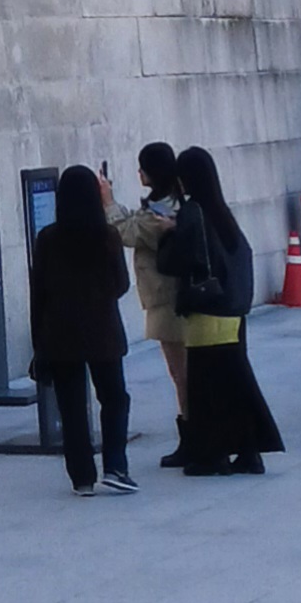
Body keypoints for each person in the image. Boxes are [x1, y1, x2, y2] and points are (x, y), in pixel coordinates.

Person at [161, 145, 283, 476]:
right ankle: (248, 451)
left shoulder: (192, 212)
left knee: (206, 386)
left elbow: (174, 262)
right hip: (232, 310)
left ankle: (211, 456)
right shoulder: (221, 211)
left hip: (206, 310)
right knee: (234, 383)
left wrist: (167, 233)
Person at [28, 164, 136, 496]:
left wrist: (39, 341)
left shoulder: (47, 239)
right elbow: (121, 284)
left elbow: (38, 293)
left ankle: (82, 477)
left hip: (60, 333)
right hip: (103, 330)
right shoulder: (108, 236)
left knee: (72, 407)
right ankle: (115, 464)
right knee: (114, 398)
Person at [111, 144, 188, 463]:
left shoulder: (164, 210)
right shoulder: (170, 202)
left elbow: (125, 231)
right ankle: (193, 435)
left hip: (167, 298)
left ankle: (192, 437)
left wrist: (107, 202)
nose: (139, 173)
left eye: (143, 168)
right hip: (169, 297)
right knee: (182, 373)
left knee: (181, 374)